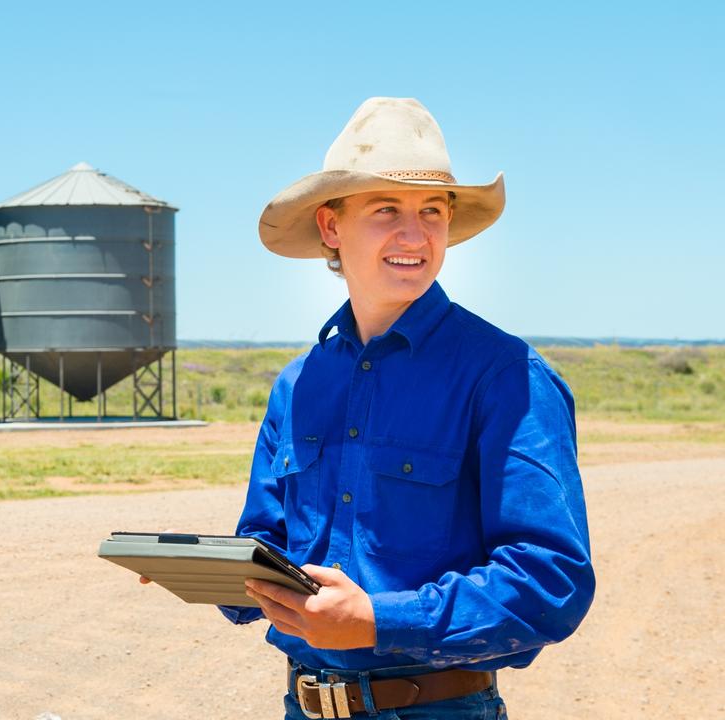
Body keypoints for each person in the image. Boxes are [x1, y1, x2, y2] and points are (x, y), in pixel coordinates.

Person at [219, 97, 594, 718]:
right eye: (386, 209)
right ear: (331, 227)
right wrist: (209, 573)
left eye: (432, 212)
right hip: (302, 704)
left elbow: (550, 581)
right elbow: (267, 539)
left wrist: (376, 619)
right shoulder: (299, 383)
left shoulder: (505, 376)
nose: (415, 235)